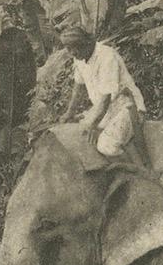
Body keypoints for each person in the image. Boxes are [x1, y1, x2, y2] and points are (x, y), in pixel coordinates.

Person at [62, 19, 149, 167]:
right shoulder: (80, 59)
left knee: (106, 145)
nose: (70, 53)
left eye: (72, 49)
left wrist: (93, 124)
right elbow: (79, 86)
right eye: (68, 49)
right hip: (107, 108)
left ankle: (137, 173)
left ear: (84, 44)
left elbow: (106, 98)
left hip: (126, 106)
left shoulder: (107, 57)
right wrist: (69, 113)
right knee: (80, 131)